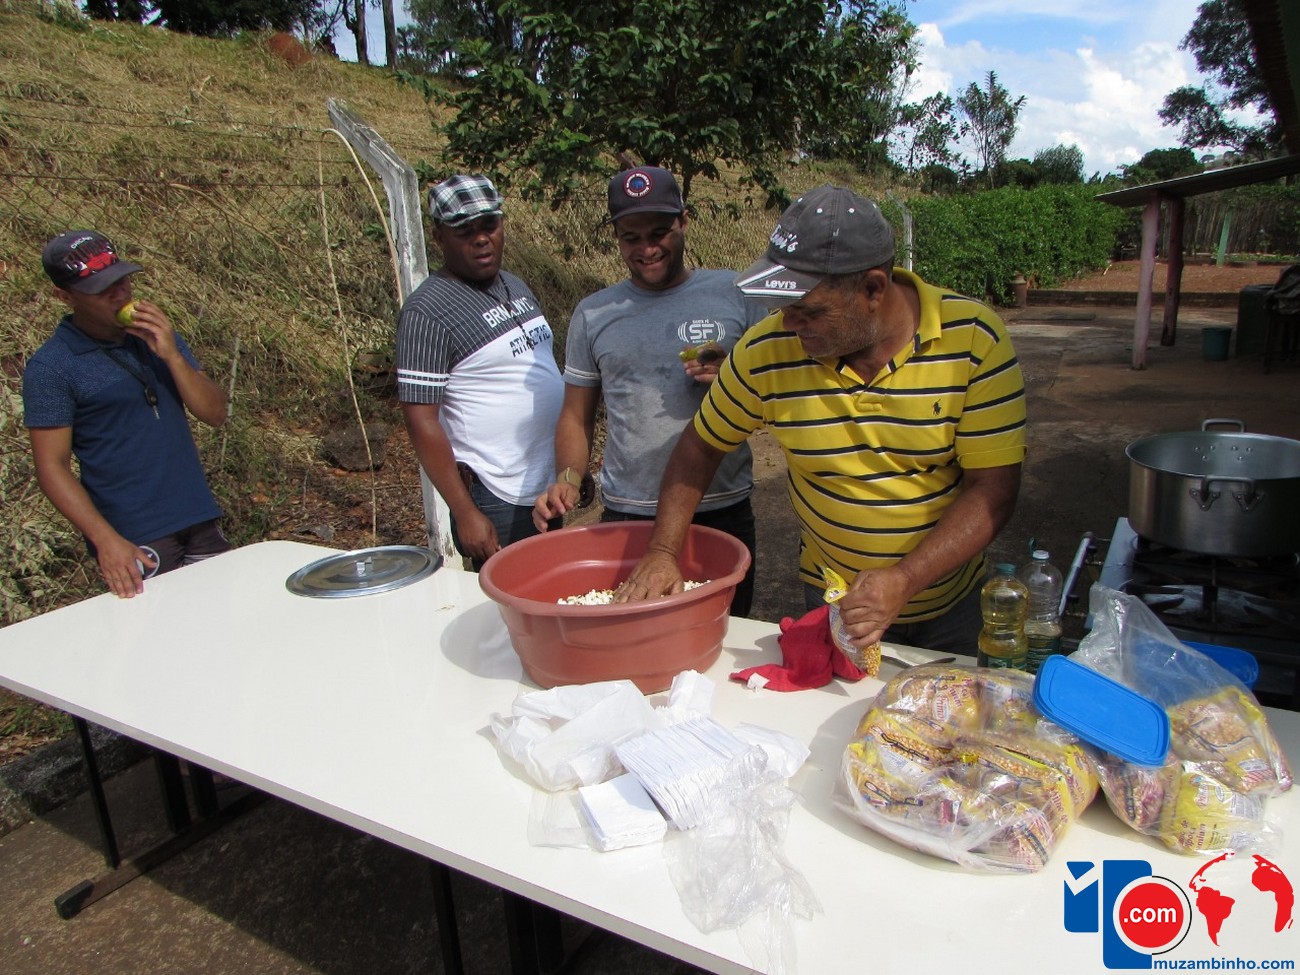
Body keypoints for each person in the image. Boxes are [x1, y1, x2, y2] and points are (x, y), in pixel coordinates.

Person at [615, 185, 1027, 655]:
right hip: (835, 598)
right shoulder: (766, 351)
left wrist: (905, 579)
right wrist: (663, 551)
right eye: (783, 308)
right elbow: (700, 446)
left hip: (951, 607)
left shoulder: (971, 339)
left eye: (807, 311)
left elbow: (992, 489)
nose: (789, 324)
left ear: (873, 289)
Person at [532, 167, 767, 616]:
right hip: (630, 516)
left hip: (721, 508)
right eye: (631, 238)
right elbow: (576, 415)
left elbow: (776, 392)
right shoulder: (594, 314)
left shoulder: (735, 294)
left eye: (659, 233)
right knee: (636, 633)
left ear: (684, 220)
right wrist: (567, 479)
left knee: (723, 631)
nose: (647, 249)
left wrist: (734, 378)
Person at [23, 229, 230, 600]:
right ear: (65, 297)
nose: (119, 294)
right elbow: (51, 467)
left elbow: (214, 413)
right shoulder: (52, 368)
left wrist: (171, 356)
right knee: (162, 630)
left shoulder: (155, 336)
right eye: (101, 289)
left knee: (219, 618)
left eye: (121, 281)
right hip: (136, 535)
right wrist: (105, 540)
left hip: (196, 514)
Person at [396, 174, 564, 570]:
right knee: (510, 601)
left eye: (490, 225)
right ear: (439, 237)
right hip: (497, 495)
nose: (481, 239)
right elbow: (421, 419)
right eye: (465, 231)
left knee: (551, 590)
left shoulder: (514, 285)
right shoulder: (427, 313)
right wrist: (466, 512)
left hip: (543, 485)